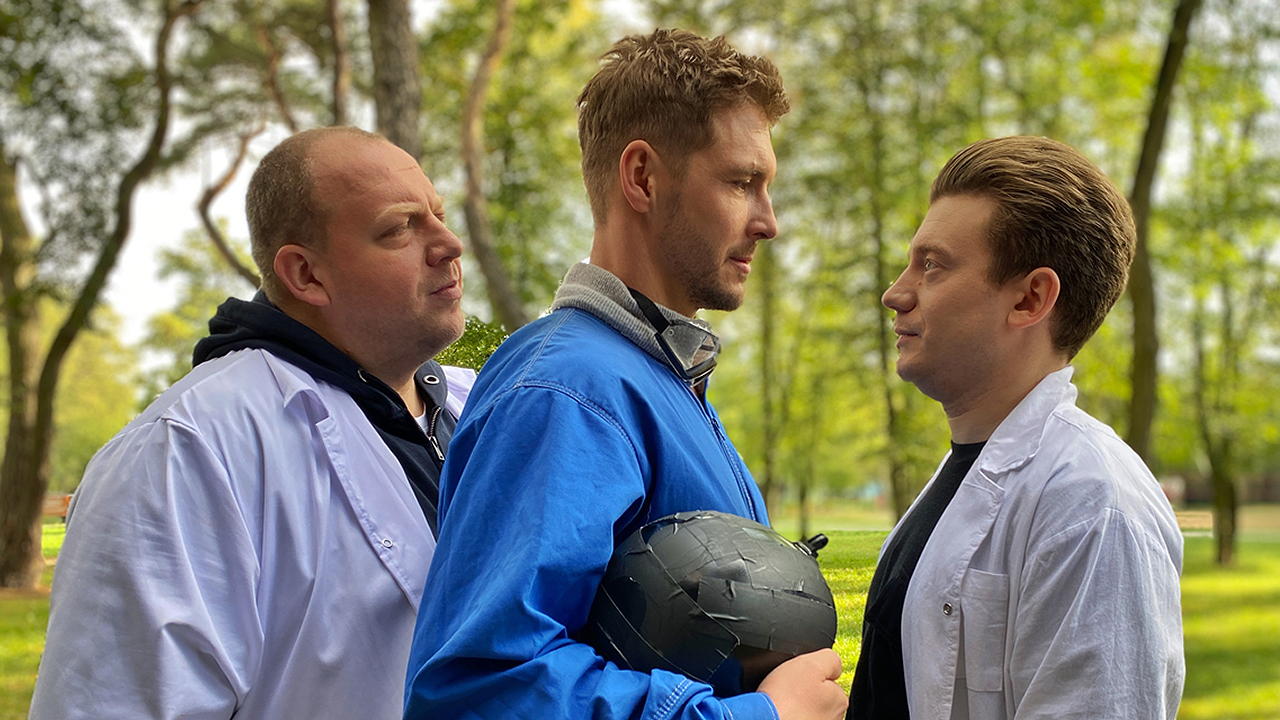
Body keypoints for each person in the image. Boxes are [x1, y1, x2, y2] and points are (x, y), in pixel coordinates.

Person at [403, 28, 847, 720]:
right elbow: (480, 690)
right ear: (642, 177)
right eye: (741, 183)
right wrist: (760, 716)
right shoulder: (566, 391)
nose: (769, 222)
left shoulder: (657, 376)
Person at [30, 126, 475, 720]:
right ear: (306, 274)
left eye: (438, 214)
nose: (448, 243)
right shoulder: (185, 451)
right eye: (399, 228)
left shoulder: (483, 405)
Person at [847, 136, 1184, 720]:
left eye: (932, 266)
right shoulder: (970, 469)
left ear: (1030, 299)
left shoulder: (1091, 506)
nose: (895, 293)